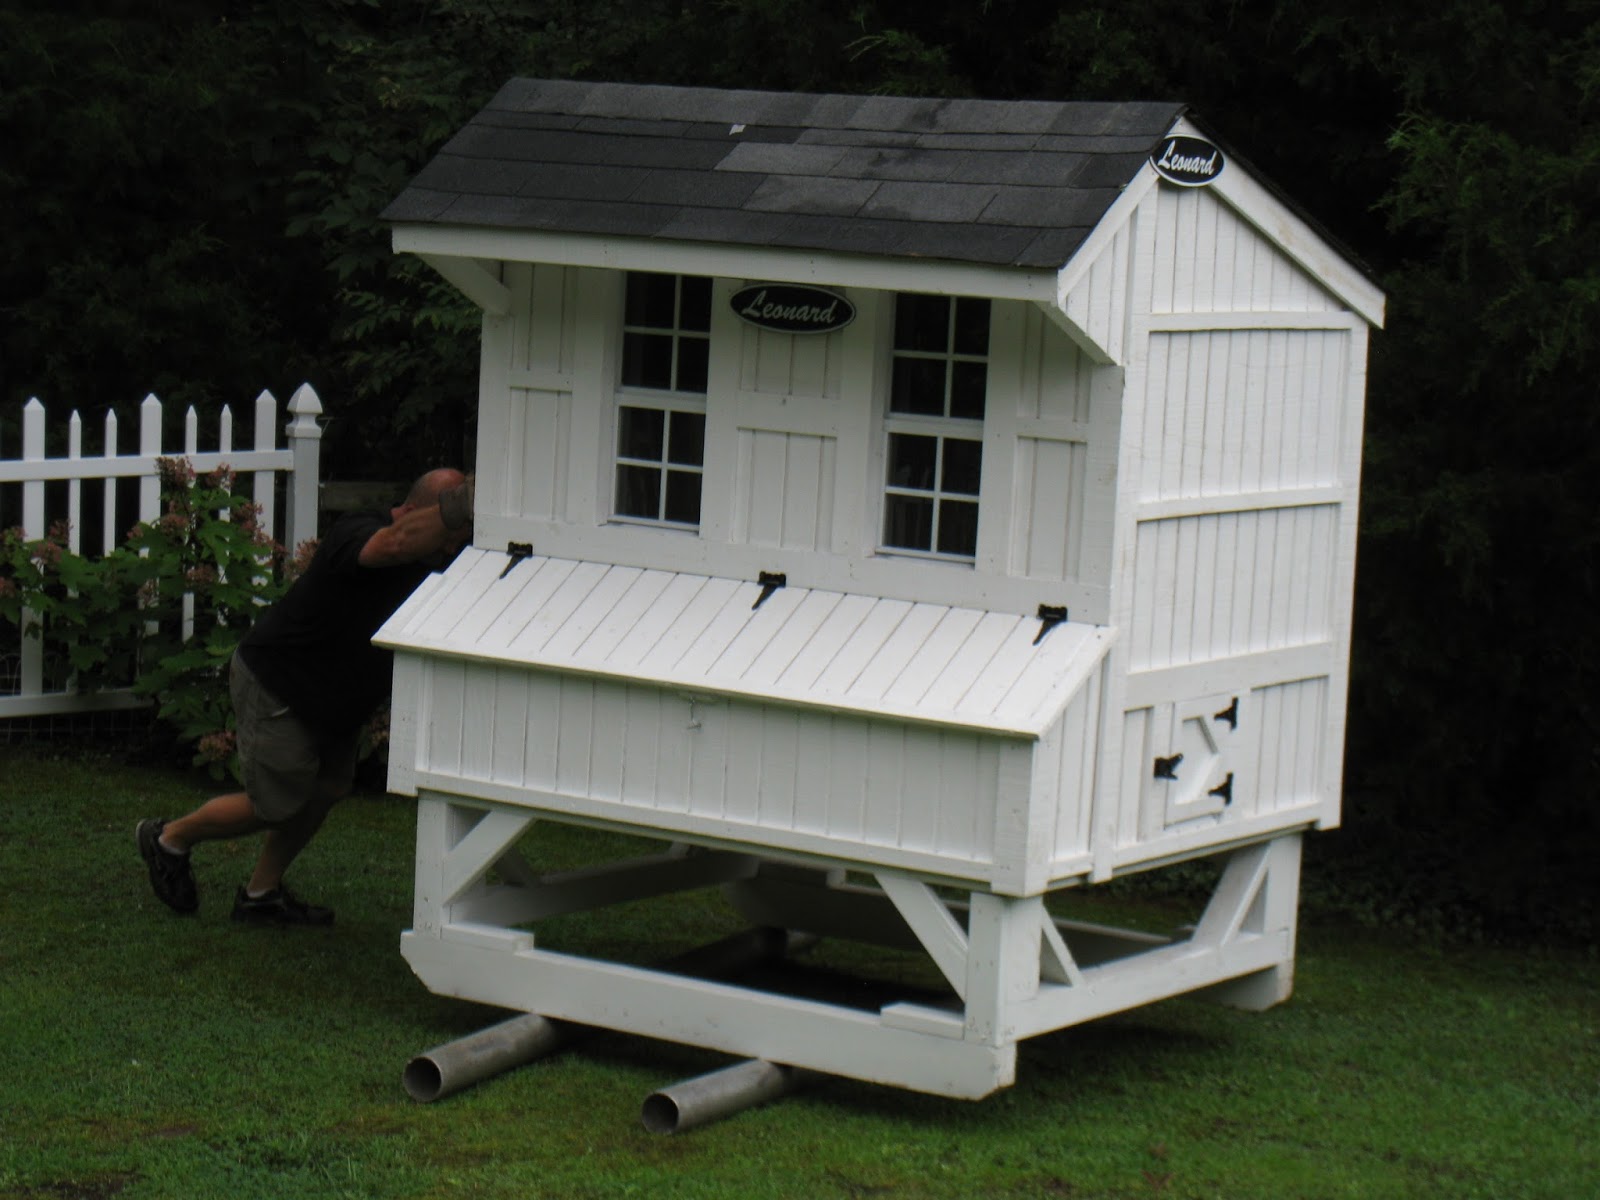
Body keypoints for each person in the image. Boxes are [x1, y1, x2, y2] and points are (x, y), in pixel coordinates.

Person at [136, 467, 474, 926]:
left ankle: (261, 895)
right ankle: (168, 839)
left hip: (334, 702)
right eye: (446, 533)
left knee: (329, 788)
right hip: (280, 683)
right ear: (411, 512)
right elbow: (392, 545)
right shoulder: (359, 531)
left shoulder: (438, 557)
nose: (451, 548)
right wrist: (463, 502)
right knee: (275, 806)